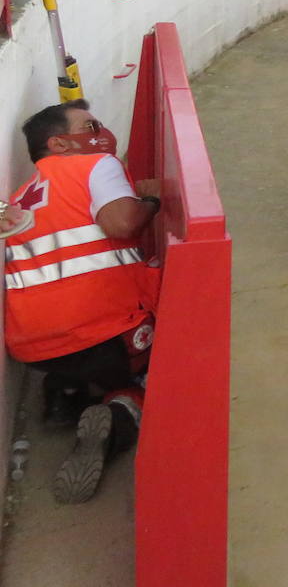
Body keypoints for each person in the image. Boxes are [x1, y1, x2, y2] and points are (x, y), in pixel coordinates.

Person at [5, 99, 162, 503]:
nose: (100, 132)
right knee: (148, 377)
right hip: (109, 333)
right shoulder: (94, 165)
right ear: (59, 144)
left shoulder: (21, 197)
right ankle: (117, 414)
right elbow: (122, 223)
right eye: (89, 125)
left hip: (34, 349)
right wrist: (152, 201)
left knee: (83, 356)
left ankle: (65, 395)